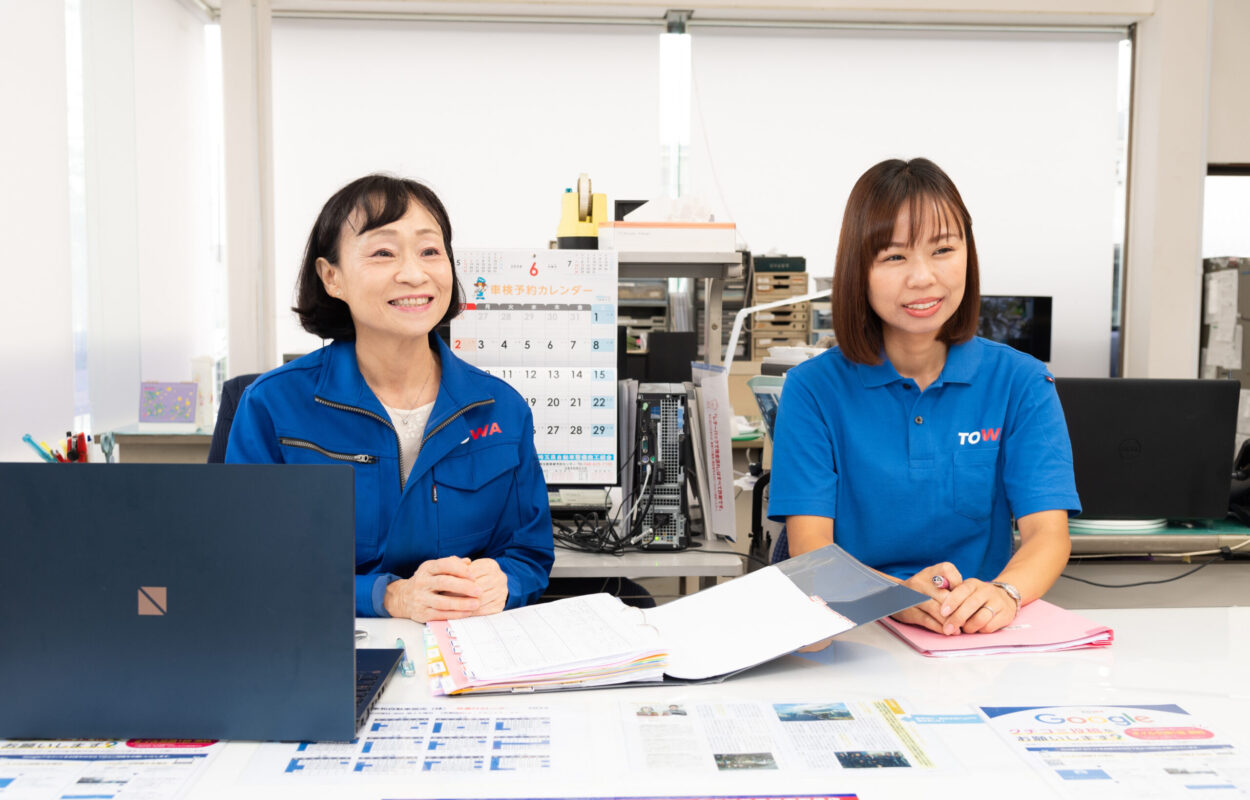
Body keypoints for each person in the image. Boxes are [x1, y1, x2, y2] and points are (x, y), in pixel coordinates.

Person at [768, 158, 1080, 636]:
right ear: (860, 270)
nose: (922, 278)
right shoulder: (812, 390)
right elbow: (812, 551)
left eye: (943, 250)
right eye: (894, 257)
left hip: (973, 635)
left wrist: (1005, 593)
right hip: (853, 630)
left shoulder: (1022, 381)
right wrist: (895, 599)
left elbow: (1048, 535)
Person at [226, 174, 554, 622]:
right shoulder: (271, 406)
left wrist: (504, 581)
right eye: (383, 252)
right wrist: (388, 597)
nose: (414, 274)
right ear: (332, 277)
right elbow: (253, 568)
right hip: (327, 652)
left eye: (430, 251)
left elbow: (527, 552)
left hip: (463, 655)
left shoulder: (501, 409)